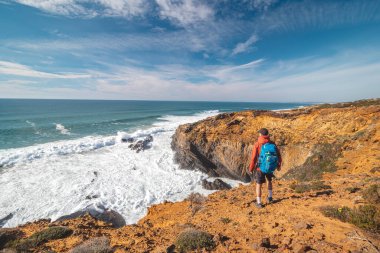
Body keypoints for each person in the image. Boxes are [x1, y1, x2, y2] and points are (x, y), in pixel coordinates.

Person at [248, 128, 282, 208]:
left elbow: (253, 158)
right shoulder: (272, 143)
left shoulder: (257, 144)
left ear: (260, 134)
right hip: (270, 166)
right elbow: (278, 155)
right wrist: (278, 165)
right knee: (269, 181)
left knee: (259, 184)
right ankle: (270, 197)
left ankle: (259, 202)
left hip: (260, 168)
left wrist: (251, 168)